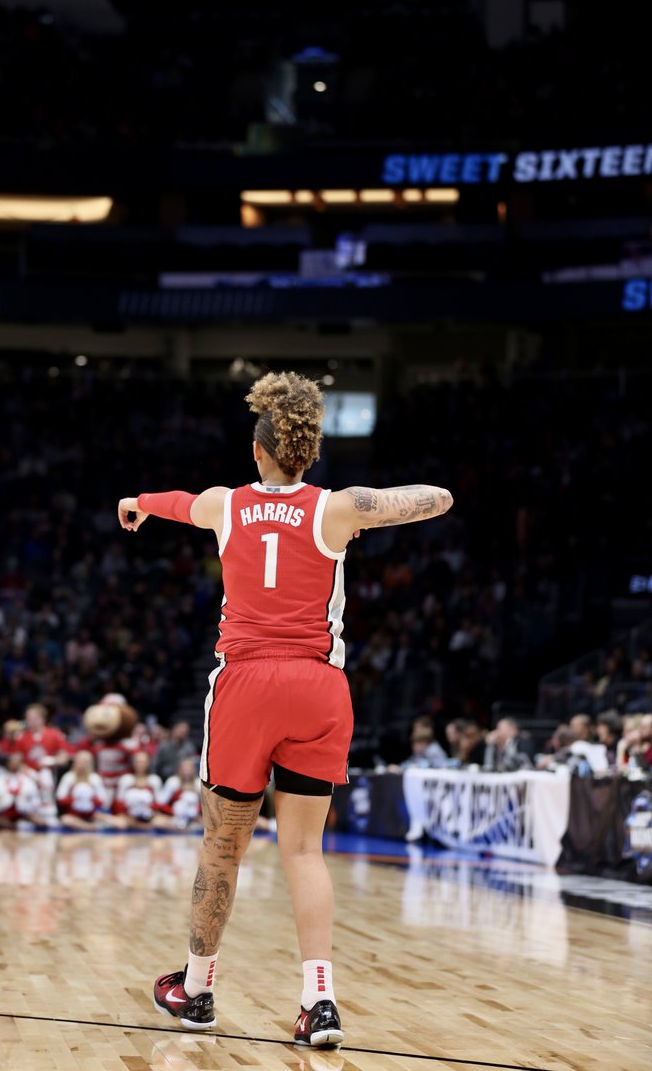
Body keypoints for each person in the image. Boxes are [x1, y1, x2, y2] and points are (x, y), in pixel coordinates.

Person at [118, 369, 452, 1047]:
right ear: (309, 452)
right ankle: (319, 1002)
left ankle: (198, 988)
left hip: (246, 686)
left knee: (223, 846)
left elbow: (179, 503)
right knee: (304, 851)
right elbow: (436, 498)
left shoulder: (227, 505)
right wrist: (367, 507)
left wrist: (140, 503)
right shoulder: (338, 506)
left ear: (258, 451)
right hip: (317, 687)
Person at [56, 750, 108, 829]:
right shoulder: (68, 777)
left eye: (85, 762)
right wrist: (75, 800)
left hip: (91, 814)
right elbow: (60, 798)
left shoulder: (95, 778)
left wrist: (90, 801)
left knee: (108, 819)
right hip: (74, 815)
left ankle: (89, 825)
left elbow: (103, 799)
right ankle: (90, 827)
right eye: (79, 762)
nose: (82, 765)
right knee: (65, 819)